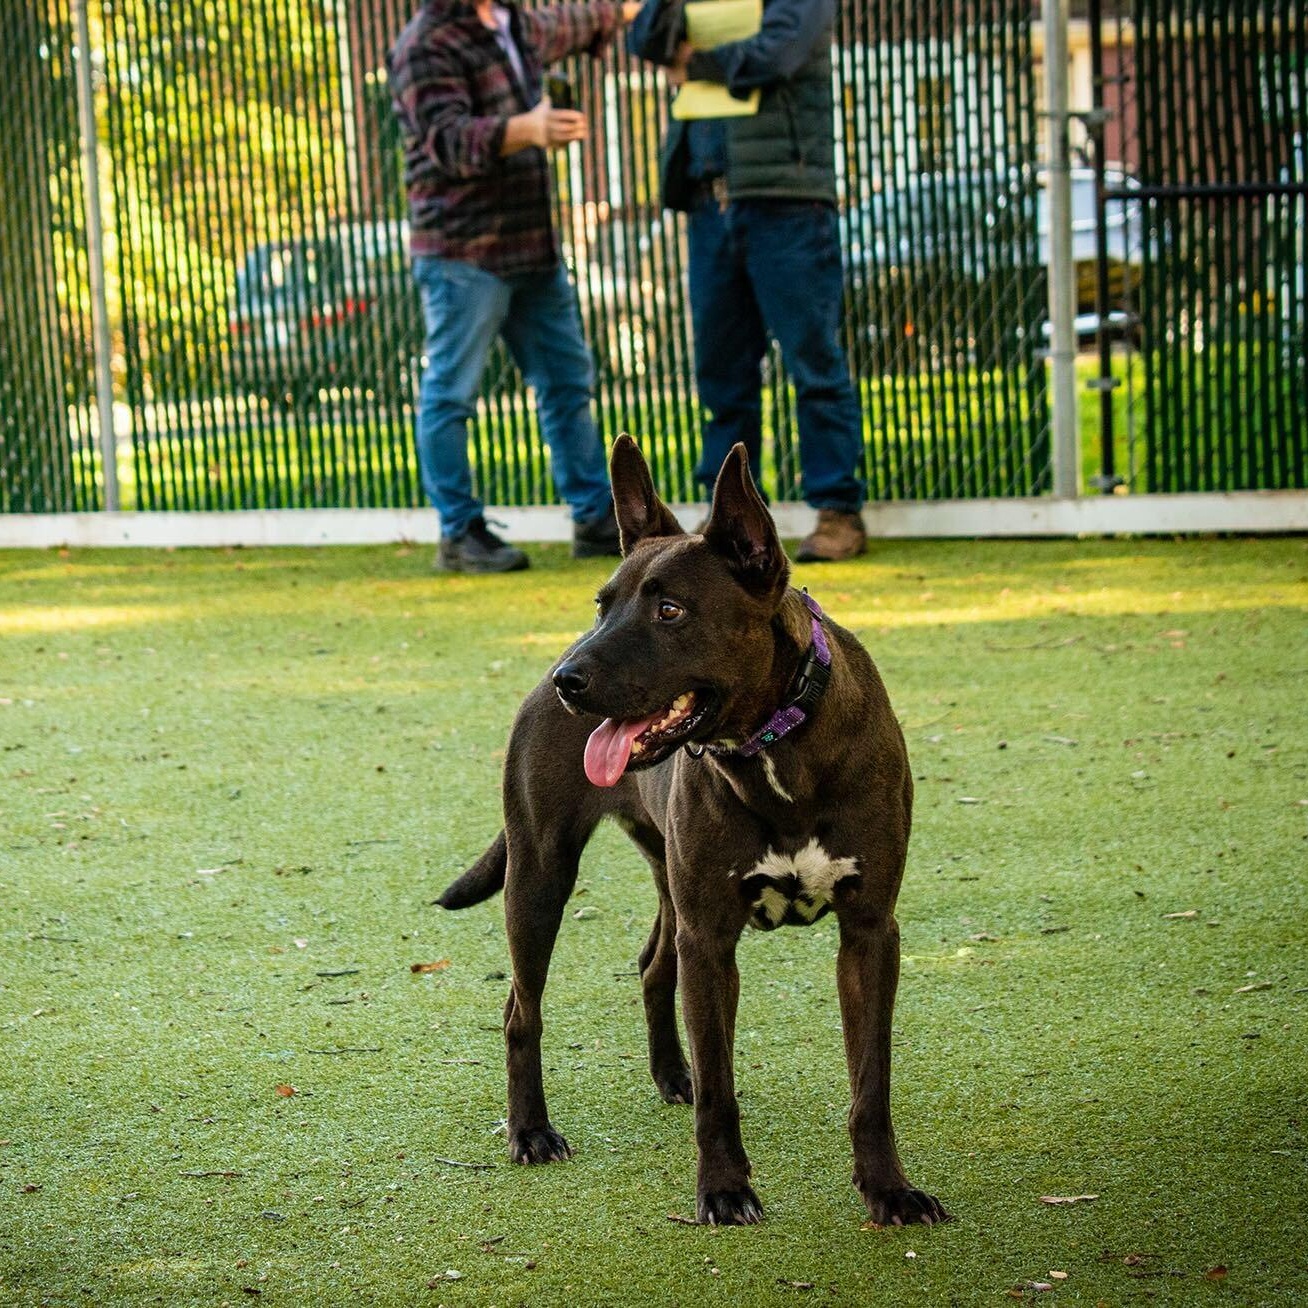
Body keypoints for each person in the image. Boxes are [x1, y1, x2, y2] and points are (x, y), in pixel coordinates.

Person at [388, 0, 640, 572]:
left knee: (568, 383)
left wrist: (623, 10)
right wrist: (530, 128)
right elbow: (448, 140)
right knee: (451, 395)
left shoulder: (515, 22)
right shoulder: (425, 44)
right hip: (463, 251)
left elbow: (574, 22)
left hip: (532, 247)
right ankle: (459, 532)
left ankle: (596, 518)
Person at [628, 0, 868, 561]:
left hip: (786, 200)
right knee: (722, 373)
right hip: (710, 201)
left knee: (813, 361)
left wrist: (696, 62)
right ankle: (727, 523)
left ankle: (838, 511)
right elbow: (645, 39)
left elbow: (778, 54)